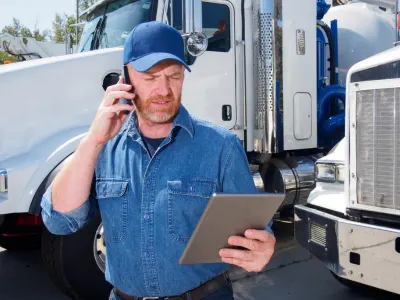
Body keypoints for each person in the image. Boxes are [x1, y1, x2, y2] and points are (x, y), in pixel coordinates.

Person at [40, 21, 276, 300]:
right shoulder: (103, 146)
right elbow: (60, 221)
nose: (164, 90)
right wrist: (92, 142)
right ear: (126, 79)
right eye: (150, 77)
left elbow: (252, 229)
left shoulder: (220, 146)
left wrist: (264, 247)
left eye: (173, 76)